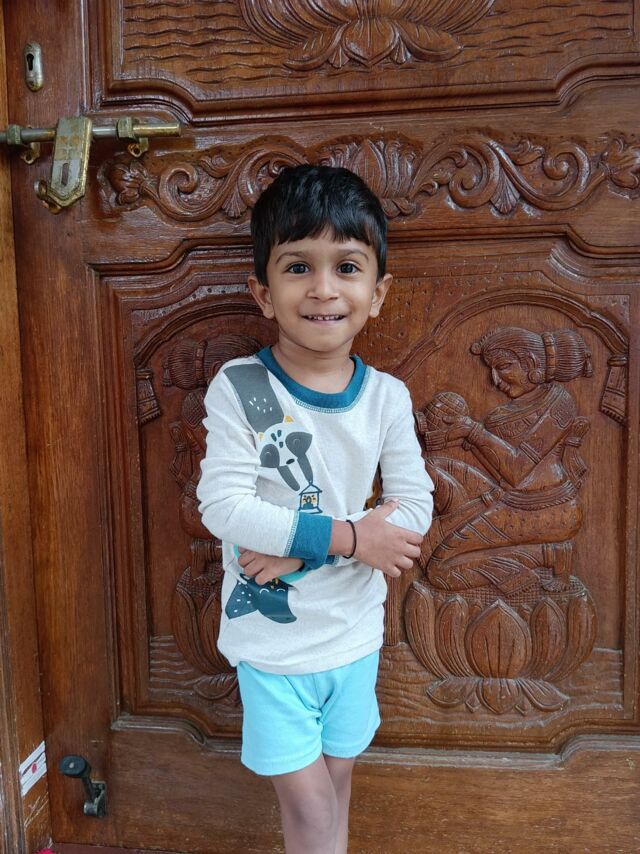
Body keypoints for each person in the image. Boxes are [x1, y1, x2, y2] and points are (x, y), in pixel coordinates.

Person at [197, 164, 433, 854]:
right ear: (263, 293)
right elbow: (225, 507)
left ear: (377, 294)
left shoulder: (386, 397)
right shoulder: (246, 387)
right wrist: (350, 536)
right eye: (299, 266)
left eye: (347, 267)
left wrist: (310, 550)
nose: (324, 288)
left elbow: (413, 507)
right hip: (273, 647)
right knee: (308, 807)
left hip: (353, 637)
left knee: (336, 788)